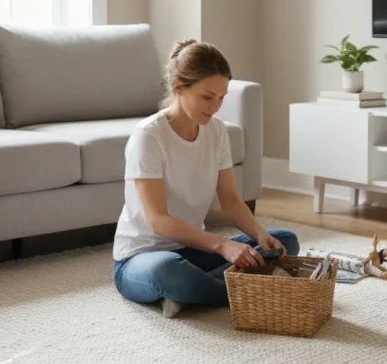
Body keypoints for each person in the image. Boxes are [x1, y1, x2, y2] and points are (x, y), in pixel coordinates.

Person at [112, 38, 300, 318]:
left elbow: (232, 201)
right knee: (170, 272)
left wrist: (260, 234)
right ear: (179, 87)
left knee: (285, 241)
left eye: (222, 97)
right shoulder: (149, 136)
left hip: (191, 248)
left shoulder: (217, 131)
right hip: (141, 258)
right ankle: (249, 290)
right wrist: (222, 245)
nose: (216, 107)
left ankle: (193, 293)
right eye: (207, 97)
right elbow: (159, 222)